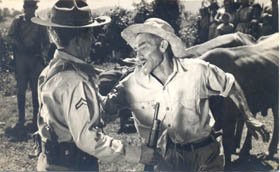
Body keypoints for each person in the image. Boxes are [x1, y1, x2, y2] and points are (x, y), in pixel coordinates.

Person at [104, 18, 269, 171]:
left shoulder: (197, 70)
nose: (137, 55)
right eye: (136, 49)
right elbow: (102, 111)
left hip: (207, 155)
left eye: (144, 46)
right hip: (169, 157)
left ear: (163, 46)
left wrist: (249, 117)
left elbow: (230, 84)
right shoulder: (131, 84)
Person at [31, 0, 159, 171]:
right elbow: (89, 139)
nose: (92, 40)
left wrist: (121, 92)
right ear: (77, 40)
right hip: (72, 165)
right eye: (89, 34)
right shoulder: (73, 81)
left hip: (54, 162)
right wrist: (137, 153)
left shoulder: (51, 71)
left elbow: (90, 114)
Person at [7, 0, 49, 133]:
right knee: (21, 90)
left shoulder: (40, 23)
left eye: (32, 7)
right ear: (24, 8)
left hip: (35, 59)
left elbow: (46, 42)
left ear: (35, 8)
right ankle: (21, 120)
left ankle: (36, 120)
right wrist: (18, 44)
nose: (29, 9)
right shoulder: (17, 22)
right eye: (27, 7)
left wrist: (44, 59)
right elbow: (10, 37)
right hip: (20, 59)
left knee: (37, 91)